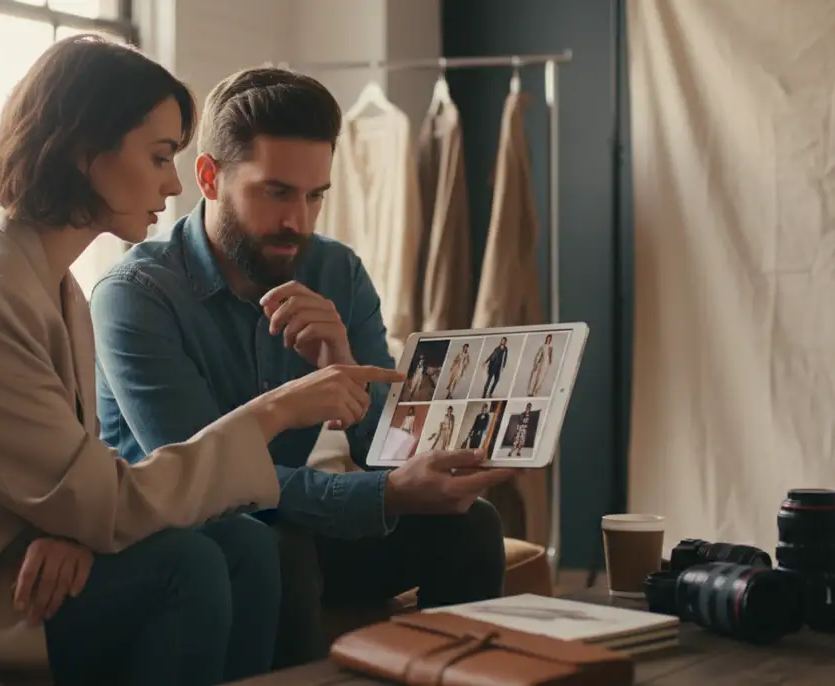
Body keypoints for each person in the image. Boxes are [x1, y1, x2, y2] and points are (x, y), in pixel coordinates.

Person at [0, 38, 401, 686]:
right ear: (85, 151)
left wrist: (75, 528)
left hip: (4, 560)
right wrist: (278, 410)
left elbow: (66, 475)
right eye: (159, 156)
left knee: (243, 543)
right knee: (188, 567)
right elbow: (94, 497)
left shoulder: (54, 285)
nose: (174, 184)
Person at [90, 66, 517, 667]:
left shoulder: (336, 273)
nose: (300, 221)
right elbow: (209, 480)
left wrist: (347, 370)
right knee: (275, 546)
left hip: (292, 527)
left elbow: (385, 450)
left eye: (315, 195)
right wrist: (387, 495)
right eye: (277, 192)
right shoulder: (136, 295)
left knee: (472, 524)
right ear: (209, 177)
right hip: (190, 538)